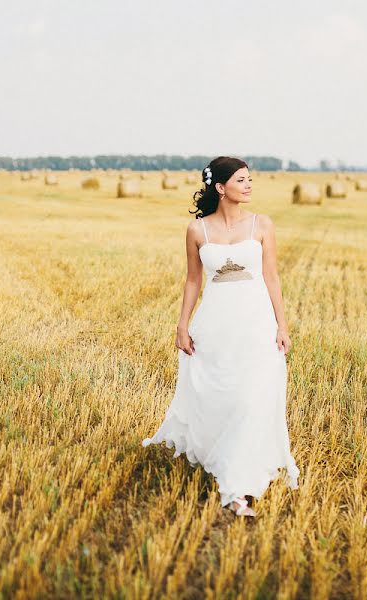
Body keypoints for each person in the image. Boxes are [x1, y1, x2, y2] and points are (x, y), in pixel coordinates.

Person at [141, 156, 300, 517]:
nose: (249, 185)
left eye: (250, 179)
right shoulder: (198, 230)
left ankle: (239, 487)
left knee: (251, 399)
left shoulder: (263, 225)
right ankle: (223, 460)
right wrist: (182, 324)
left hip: (256, 324)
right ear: (220, 187)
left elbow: (272, 277)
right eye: (241, 180)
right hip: (214, 326)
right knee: (218, 397)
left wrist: (282, 325)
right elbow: (193, 280)